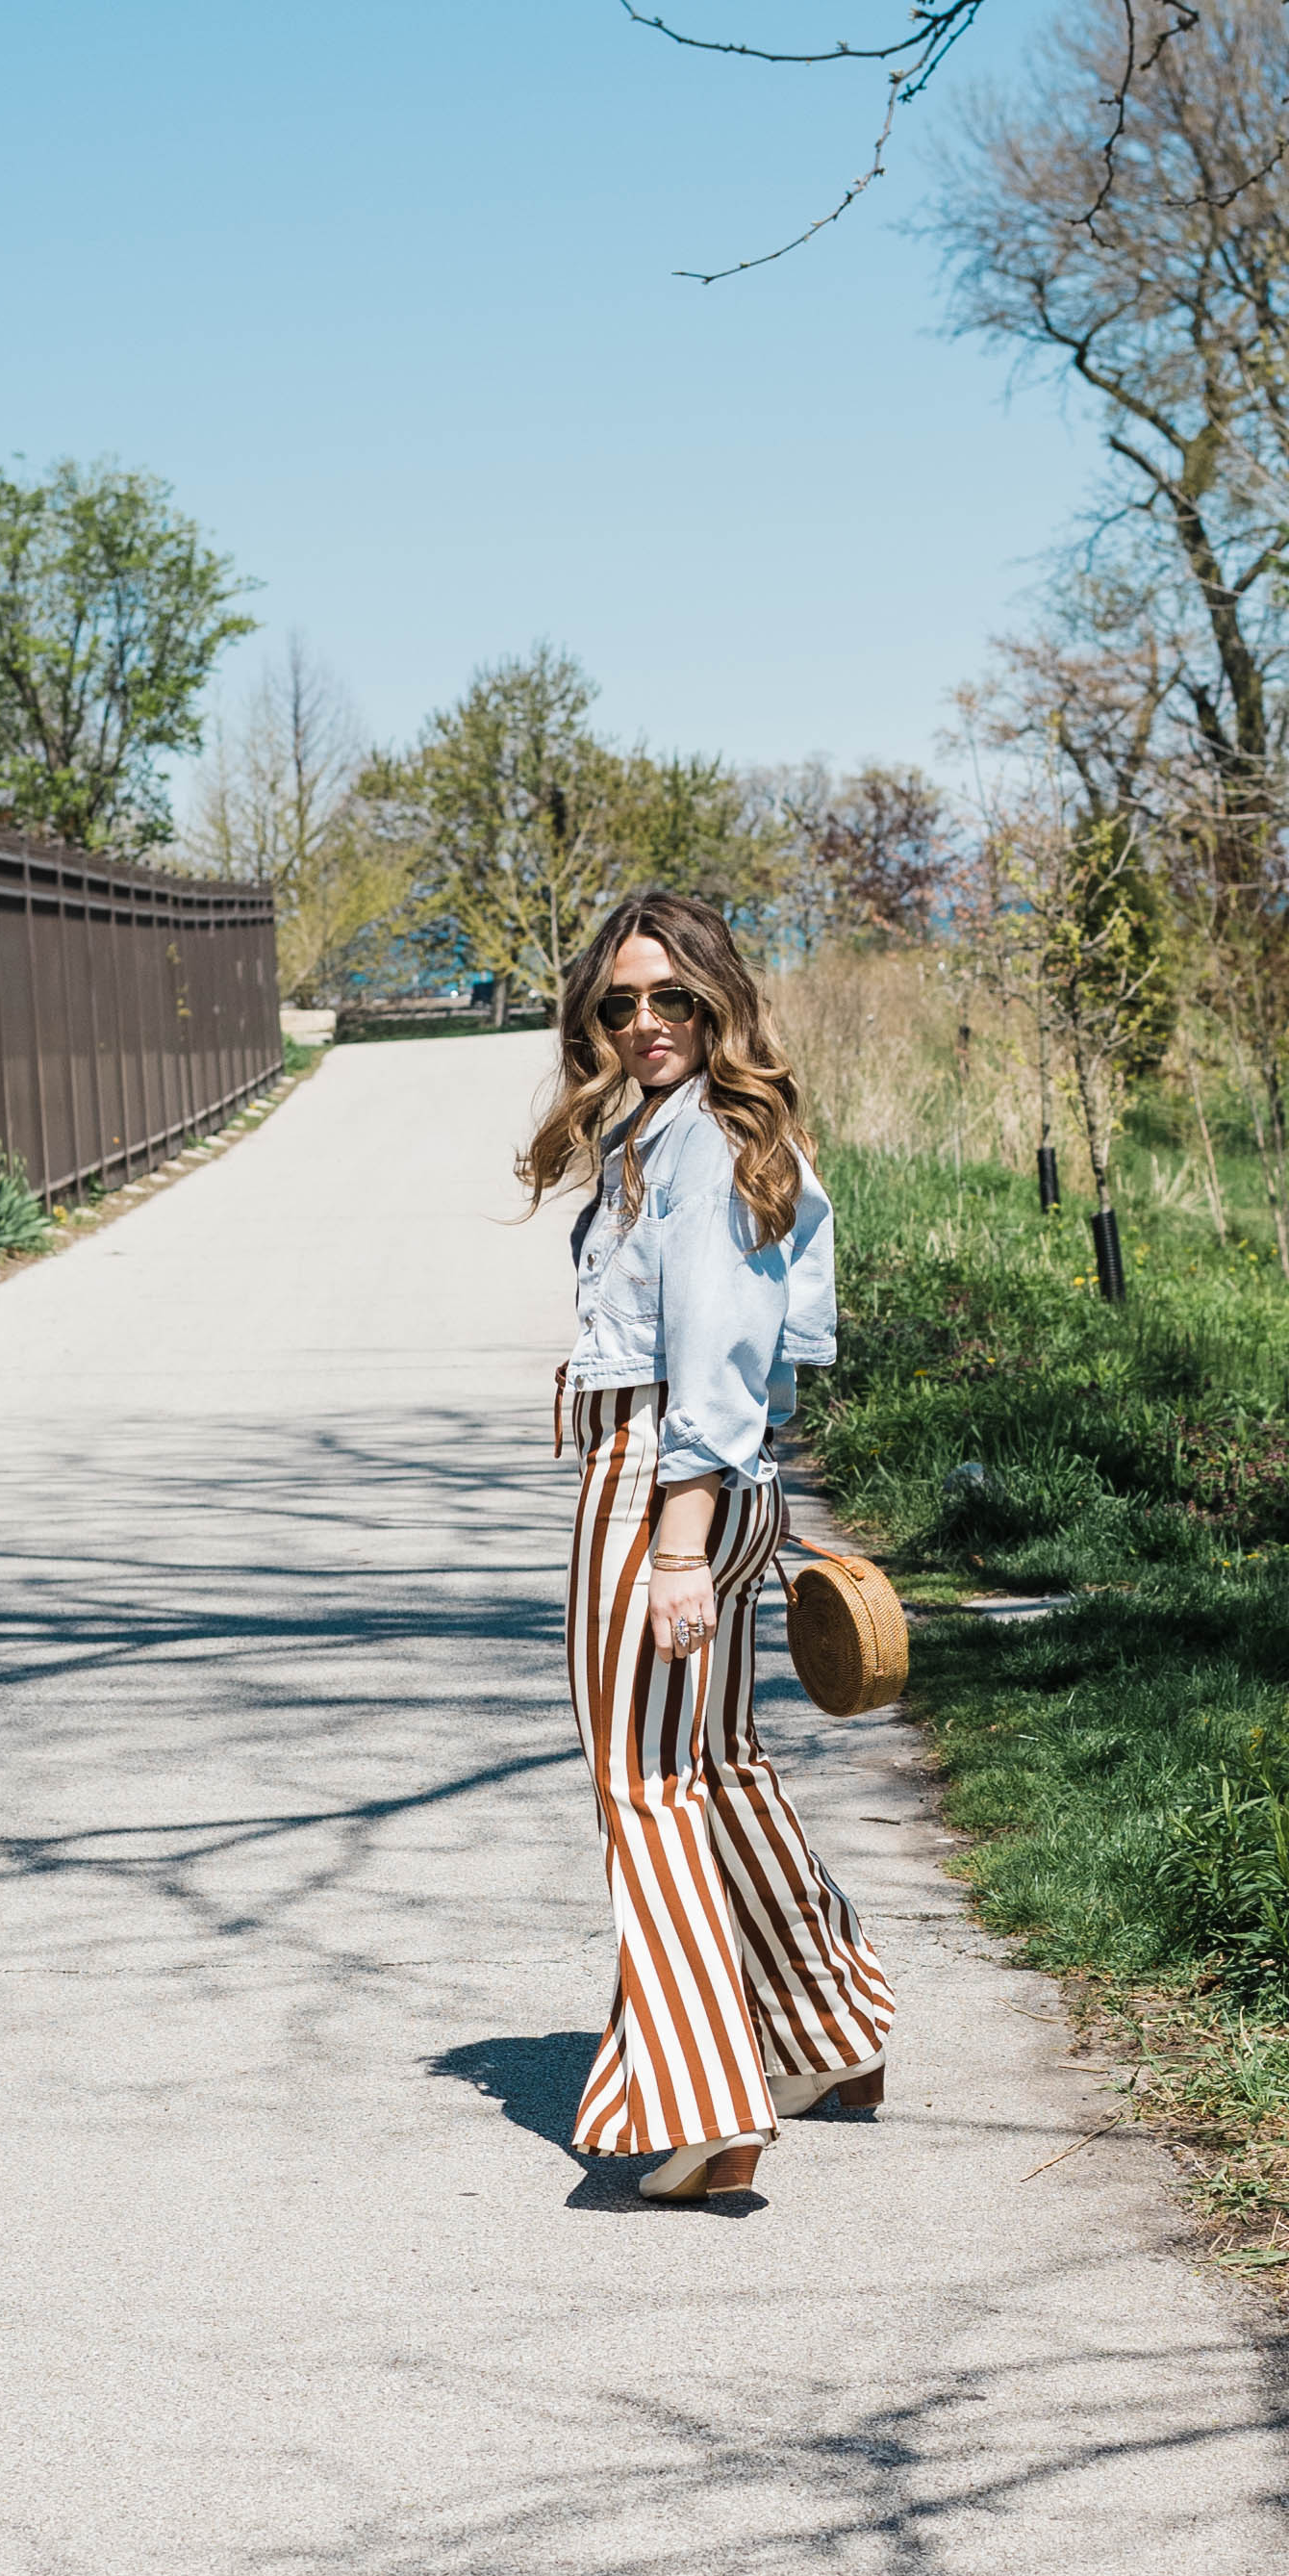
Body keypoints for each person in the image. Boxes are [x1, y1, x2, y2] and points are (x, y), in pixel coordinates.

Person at [520, 891, 896, 2203]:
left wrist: (678, 1542)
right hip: (721, 1480)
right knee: (714, 1757)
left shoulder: (711, 1145)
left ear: (716, 999)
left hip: (662, 1477)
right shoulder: (686, 1132)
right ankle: (826, 2028)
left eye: (669, 997)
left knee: (643, 1782)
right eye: (617, 1003)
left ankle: (698, 2098)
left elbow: (722, 1353)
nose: (641, 1023)